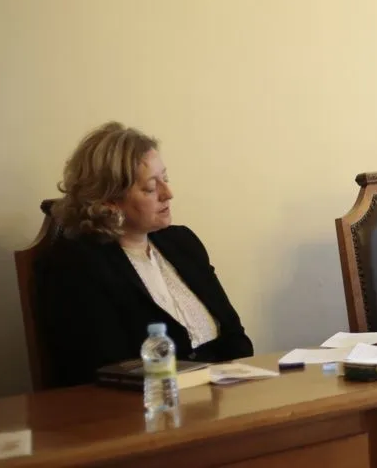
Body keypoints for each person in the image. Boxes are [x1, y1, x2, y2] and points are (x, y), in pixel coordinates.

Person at [36, 122, 253, 388]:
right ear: (109, 201)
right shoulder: (75, 265)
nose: (168, 194)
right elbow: (104, 369)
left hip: (223, 397)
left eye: (165, 179)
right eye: (150, 188)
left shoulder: (182, 242)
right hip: (144, 406)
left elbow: (237, 338)